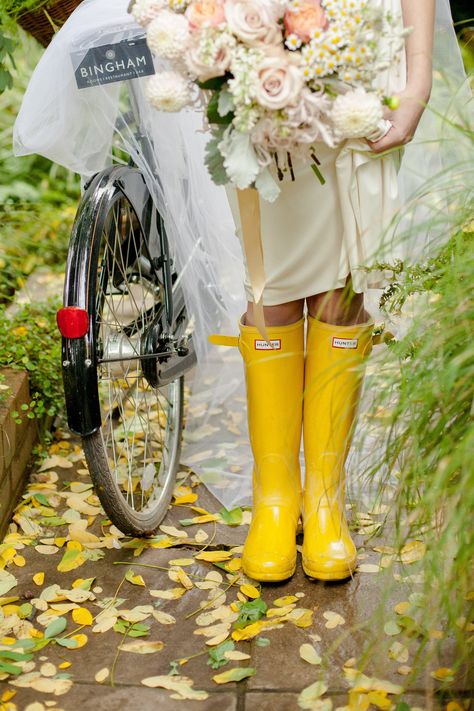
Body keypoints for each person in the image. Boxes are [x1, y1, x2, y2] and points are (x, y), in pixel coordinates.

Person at [210, 0, 436, 582]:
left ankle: (325, 500)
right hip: (261, 54)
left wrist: (417, 79)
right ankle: (275, 500)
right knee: (273, 286)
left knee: (346, 282)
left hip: (364, 60)